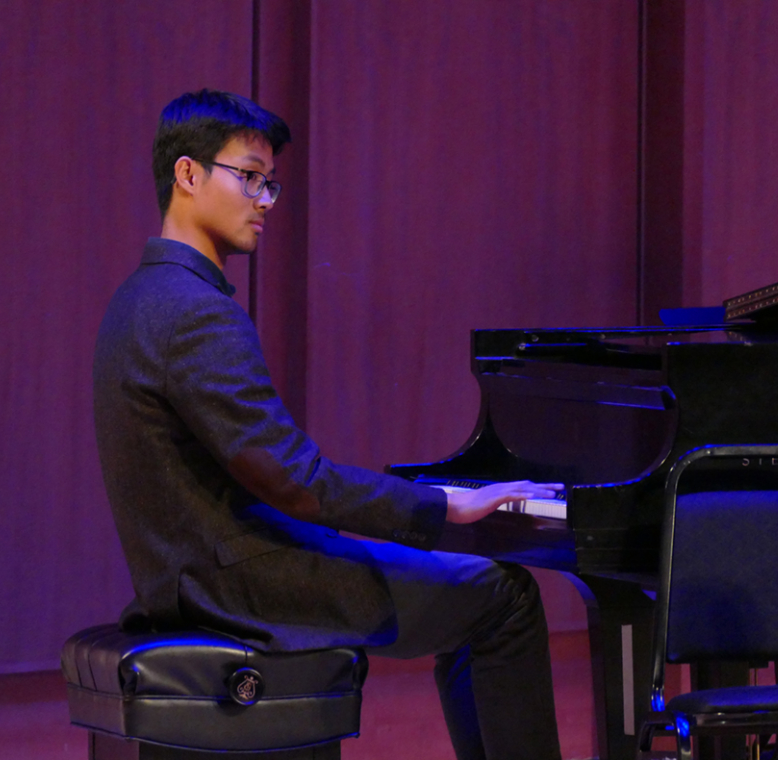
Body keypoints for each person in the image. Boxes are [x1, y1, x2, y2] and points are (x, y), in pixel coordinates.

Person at [92, 88, 564, 760]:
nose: (264, 202)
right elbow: (295, 482)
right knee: (503, 596)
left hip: (194, 574)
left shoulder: (137, 298)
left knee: (475, 596)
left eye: (270, 184)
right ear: (188, 174)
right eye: (248, 177)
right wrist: (448, 507)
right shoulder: (193, 312)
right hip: (245, 586)